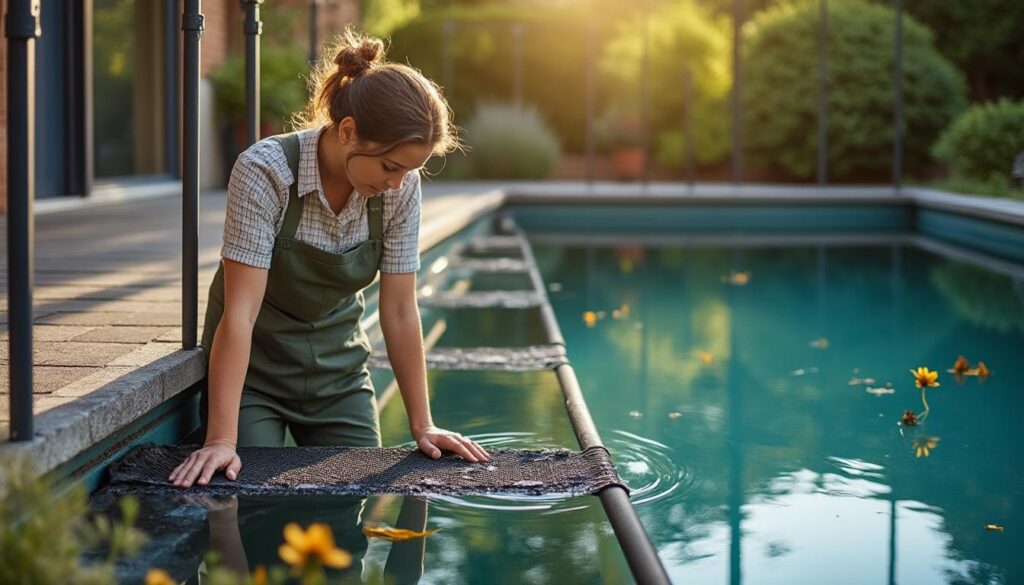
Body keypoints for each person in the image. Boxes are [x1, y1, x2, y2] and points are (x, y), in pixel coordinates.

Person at [169, 27, 489, 489]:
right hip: (255, 378)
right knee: (251, 500)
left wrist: (423, 425)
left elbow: (399, 310)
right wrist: (220, 437)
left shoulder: (400, 190)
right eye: (389, 167)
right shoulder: (265, 172)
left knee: (348, 523)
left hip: (339, 378)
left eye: (409, 171)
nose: (397, 183)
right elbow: (238, 314)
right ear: (347, 131)